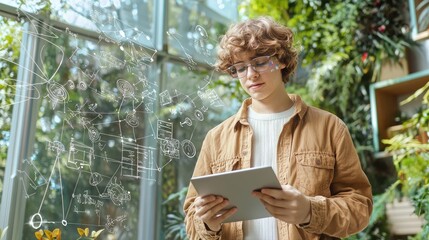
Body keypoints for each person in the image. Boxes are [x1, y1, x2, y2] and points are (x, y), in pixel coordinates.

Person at [183, 16, 373, 240]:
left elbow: (360, 208)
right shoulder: (216, 139)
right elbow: (192, 220)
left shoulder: (330, 127)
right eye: (240, 68)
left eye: (260, 62)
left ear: (281, 60)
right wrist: (207, 224)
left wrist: (310, 211)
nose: (251, 75)